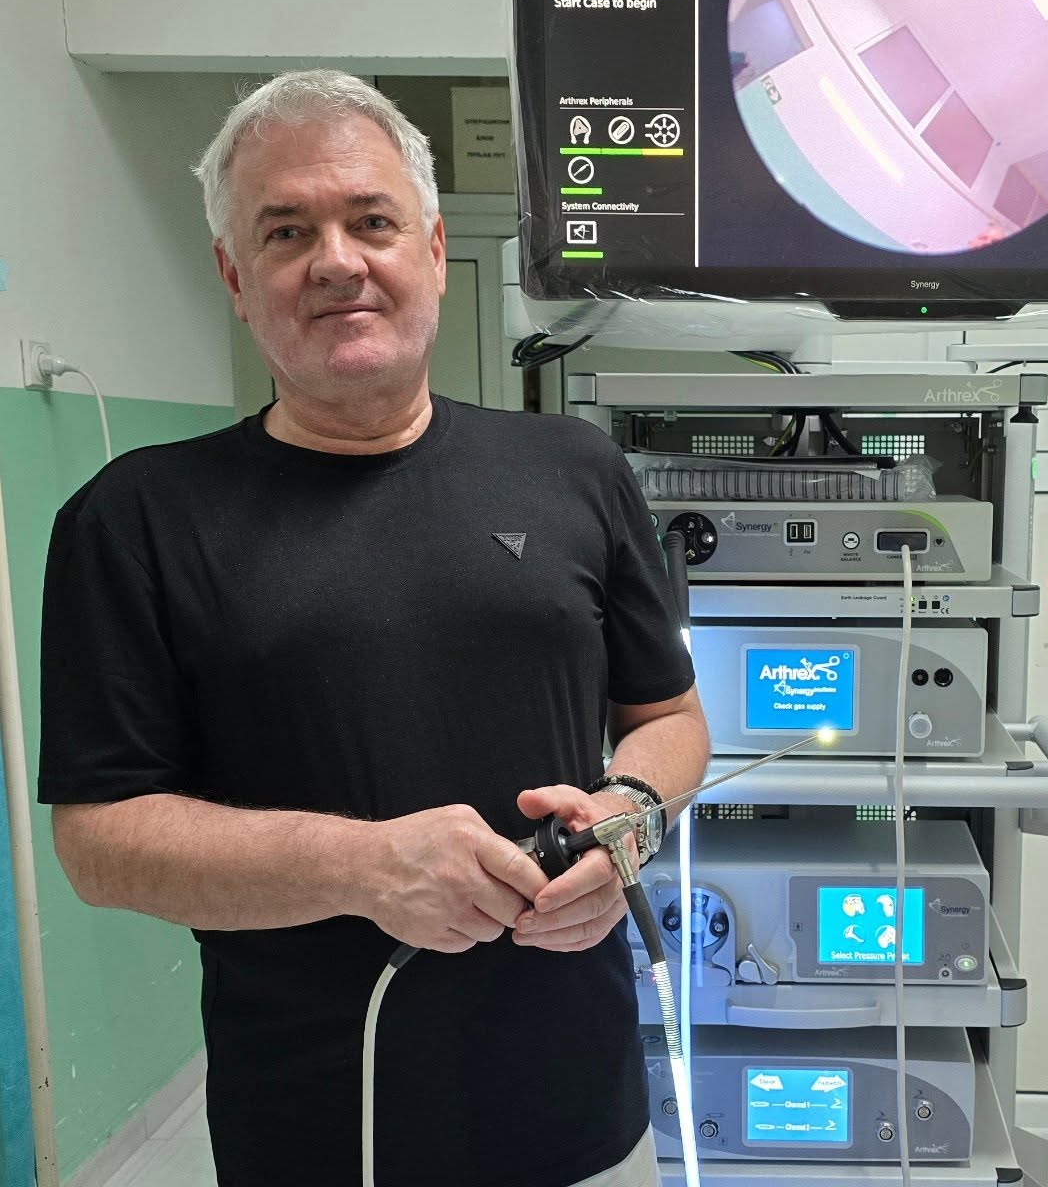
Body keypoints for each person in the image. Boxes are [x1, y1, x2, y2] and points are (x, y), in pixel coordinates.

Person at [38, 70, 709, 1187]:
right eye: (286, 231)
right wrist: (363, 866)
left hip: (586, 1115)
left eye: (373, 221)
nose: (337, 260)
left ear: (434, 251)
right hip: (315, 1128)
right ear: (235, 278)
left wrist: (629, 820)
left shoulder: (574, 469)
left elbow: (671, 719)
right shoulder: (135, 518)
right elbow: (100, 844)